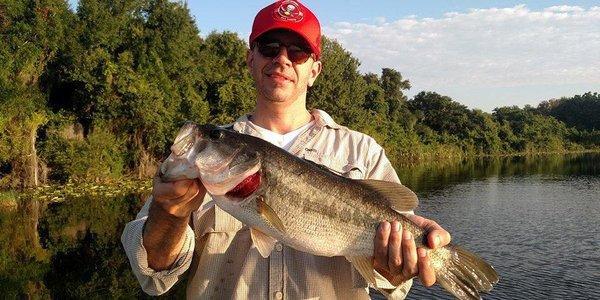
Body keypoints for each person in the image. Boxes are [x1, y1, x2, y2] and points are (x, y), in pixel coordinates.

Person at [122, 1, 451, 299]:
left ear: (314, 71)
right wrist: (169, 213)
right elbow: (154, 273)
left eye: (297, 52)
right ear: (251, 59)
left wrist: (396, 264)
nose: (282, 59)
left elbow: (395, 280)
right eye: (269, 47)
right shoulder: (195, 165)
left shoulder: (361, 151)